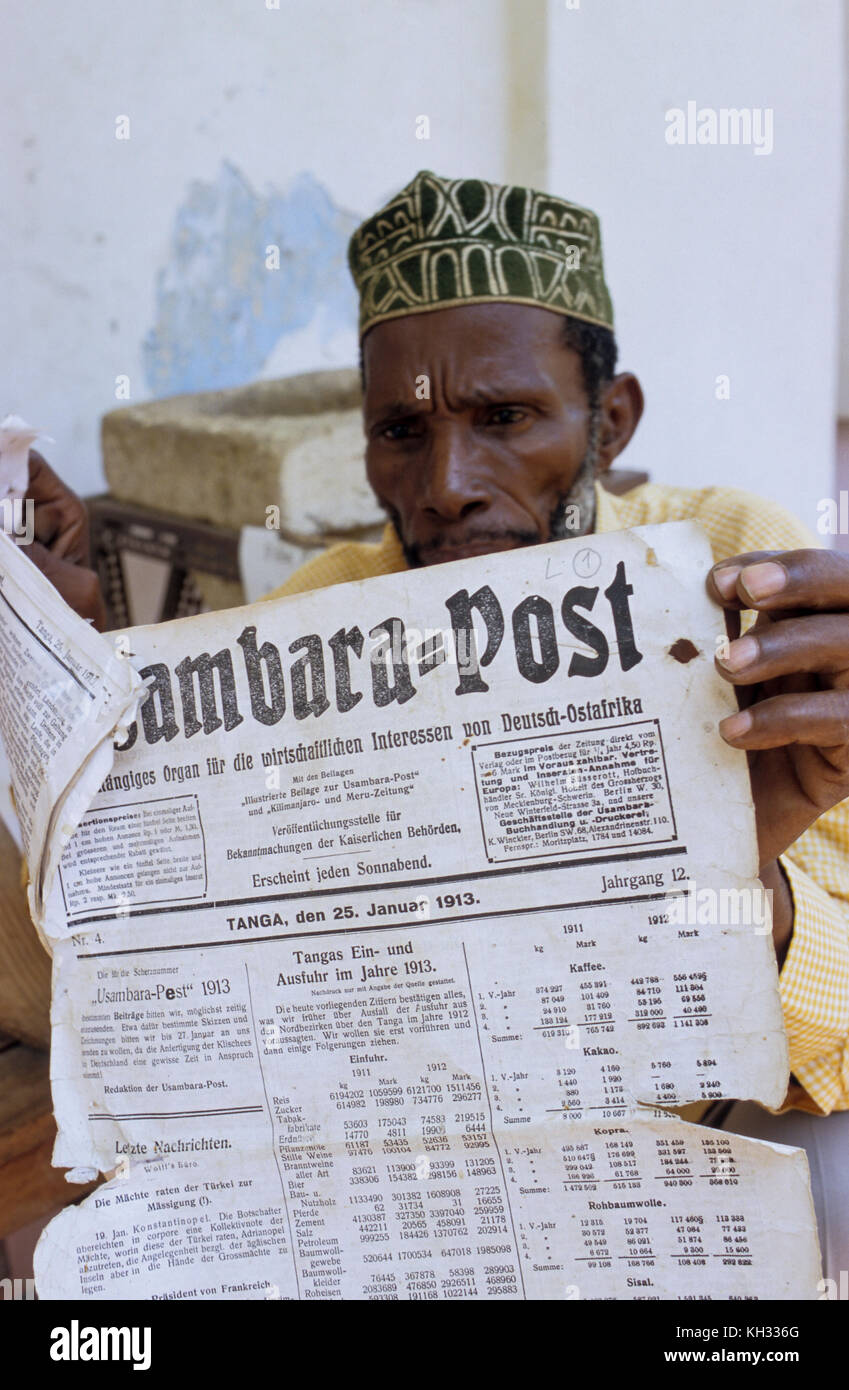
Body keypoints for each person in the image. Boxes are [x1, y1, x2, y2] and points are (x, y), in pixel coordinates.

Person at [23, 170, 849, 1278]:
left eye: (504, 418)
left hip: (711, 1121)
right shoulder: (325, 602)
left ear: (610, 420)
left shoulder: (727, 560)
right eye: (401, 432)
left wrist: (736, 879)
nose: (449, 483)